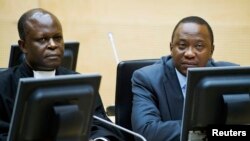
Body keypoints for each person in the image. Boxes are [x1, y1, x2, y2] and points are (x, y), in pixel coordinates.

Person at [0, 8, 125, 141]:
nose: (53, 45)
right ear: (23, 46)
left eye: (58, 38)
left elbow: (100, 126)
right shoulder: (3, 85)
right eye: (42, 39)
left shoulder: (79, 82)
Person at [131, 16, 238, 141]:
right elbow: (146, 132)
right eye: (182, 46)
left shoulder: (229, 76)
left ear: (211, 51)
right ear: (171, 48)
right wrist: (207, 131)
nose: (189, 53)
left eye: (199, 46)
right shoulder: (147, 79)